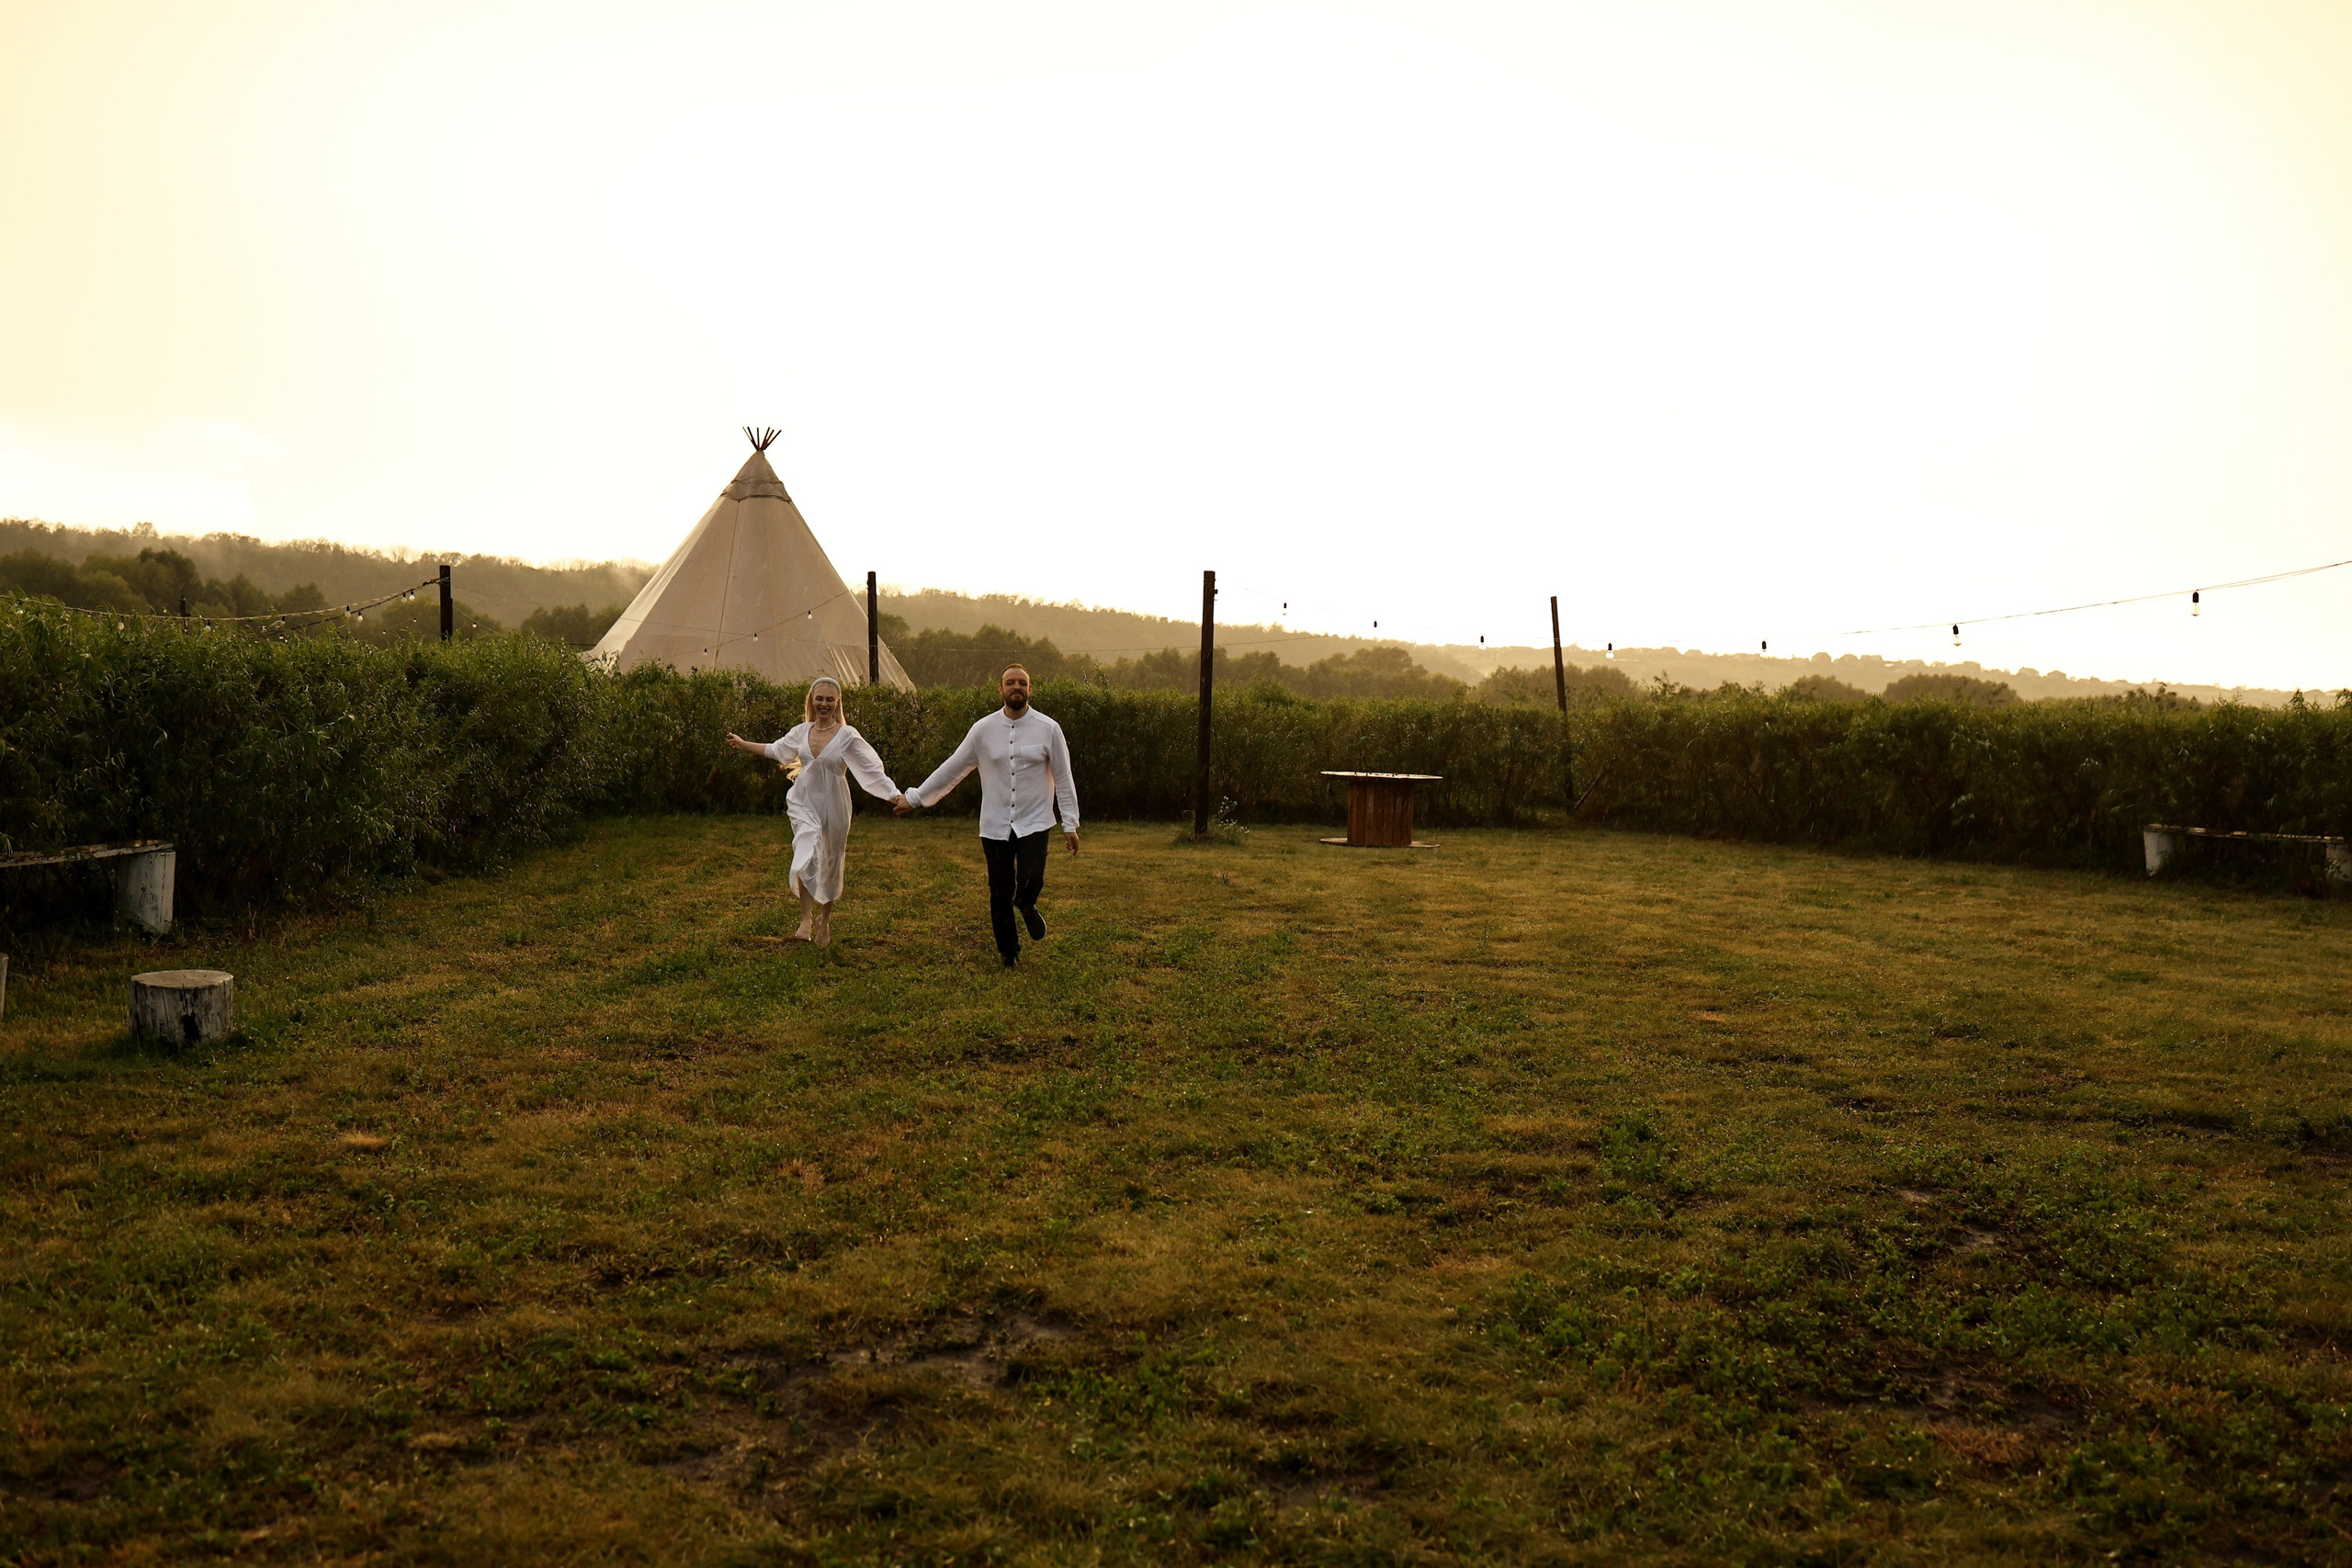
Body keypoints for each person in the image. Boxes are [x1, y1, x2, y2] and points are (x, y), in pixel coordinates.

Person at [895, 664, 1080, 966]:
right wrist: (915, 799)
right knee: (999, 891)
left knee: (1032, 878)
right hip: (995, 826)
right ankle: (1009, 952)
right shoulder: (982, 730)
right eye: (1010, 682)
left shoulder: (1049, 729)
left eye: (1022, 682)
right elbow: (953, 769)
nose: (1016, 687)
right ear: (1001, 689)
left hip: (1035, 821)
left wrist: (1070, 823)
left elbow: (1063, 777)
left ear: (1030, 689)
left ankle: (1027, 903)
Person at [725, 676, 905, 947]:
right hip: (804, 801)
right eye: (819, 698)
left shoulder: (847, 736)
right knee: (807, 851)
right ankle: (806, 919)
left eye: (829, 699)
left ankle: (825, 919)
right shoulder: (801, 731)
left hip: (835, 804)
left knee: (831, 860)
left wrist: (895, 794)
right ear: (812, 701)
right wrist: (743, 743)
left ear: (837, 703)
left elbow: (872, 770)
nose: (824, 704)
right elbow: (776, 750)